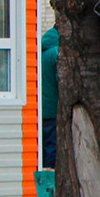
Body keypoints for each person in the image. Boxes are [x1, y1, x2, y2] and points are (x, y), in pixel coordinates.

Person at [40, 25, 58, 169]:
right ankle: (50, 180)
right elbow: (61, 81)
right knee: (52, 147)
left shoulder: (41, 52)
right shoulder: (56, 53)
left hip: (41, 109)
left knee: (43, 147)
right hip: (53, 109)